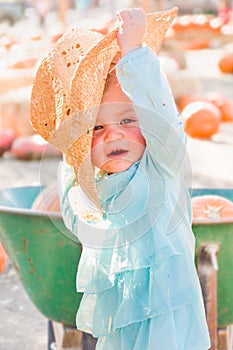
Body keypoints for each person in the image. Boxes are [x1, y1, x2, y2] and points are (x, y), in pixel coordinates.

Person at [30, 7, 211, 349]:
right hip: (120, 330)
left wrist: (134, 54)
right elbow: (76, 217)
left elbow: (162, 115)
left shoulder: (162, 165)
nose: (114, 135)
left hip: (168, 329)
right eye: (97, 127)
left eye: (128, 120)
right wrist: (74, 158)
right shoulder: (93, 190)